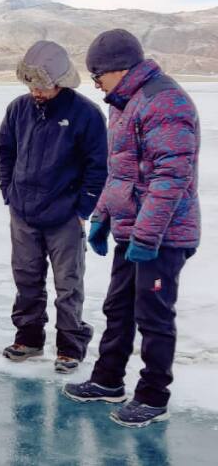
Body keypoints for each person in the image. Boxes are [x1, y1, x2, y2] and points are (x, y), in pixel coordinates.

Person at [63, 29, 200, 428]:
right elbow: (121, 173)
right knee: (118, 308)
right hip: (132, 228)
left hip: (164, 235)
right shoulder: (123, 103)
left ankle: (153, 395)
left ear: (119, 69)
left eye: (97, 75)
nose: (95, 84)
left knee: (154, 315)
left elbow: (170, 177)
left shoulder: (165, 102)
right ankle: (108, 379)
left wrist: (146, 236)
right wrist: (103, 216)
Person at [0, 40, 108, 373]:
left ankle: (70, 346)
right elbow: (6, 153)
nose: (36, 91)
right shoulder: (18, 109)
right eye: (30, 84)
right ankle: (29, 339)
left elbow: (97, 167)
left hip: (65, 217)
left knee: (67, 284)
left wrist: (82, 210)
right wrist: (9, 192)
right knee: (26, 279)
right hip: (23, 213)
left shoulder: (85, 114)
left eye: (42, 85)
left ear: (60, 81)